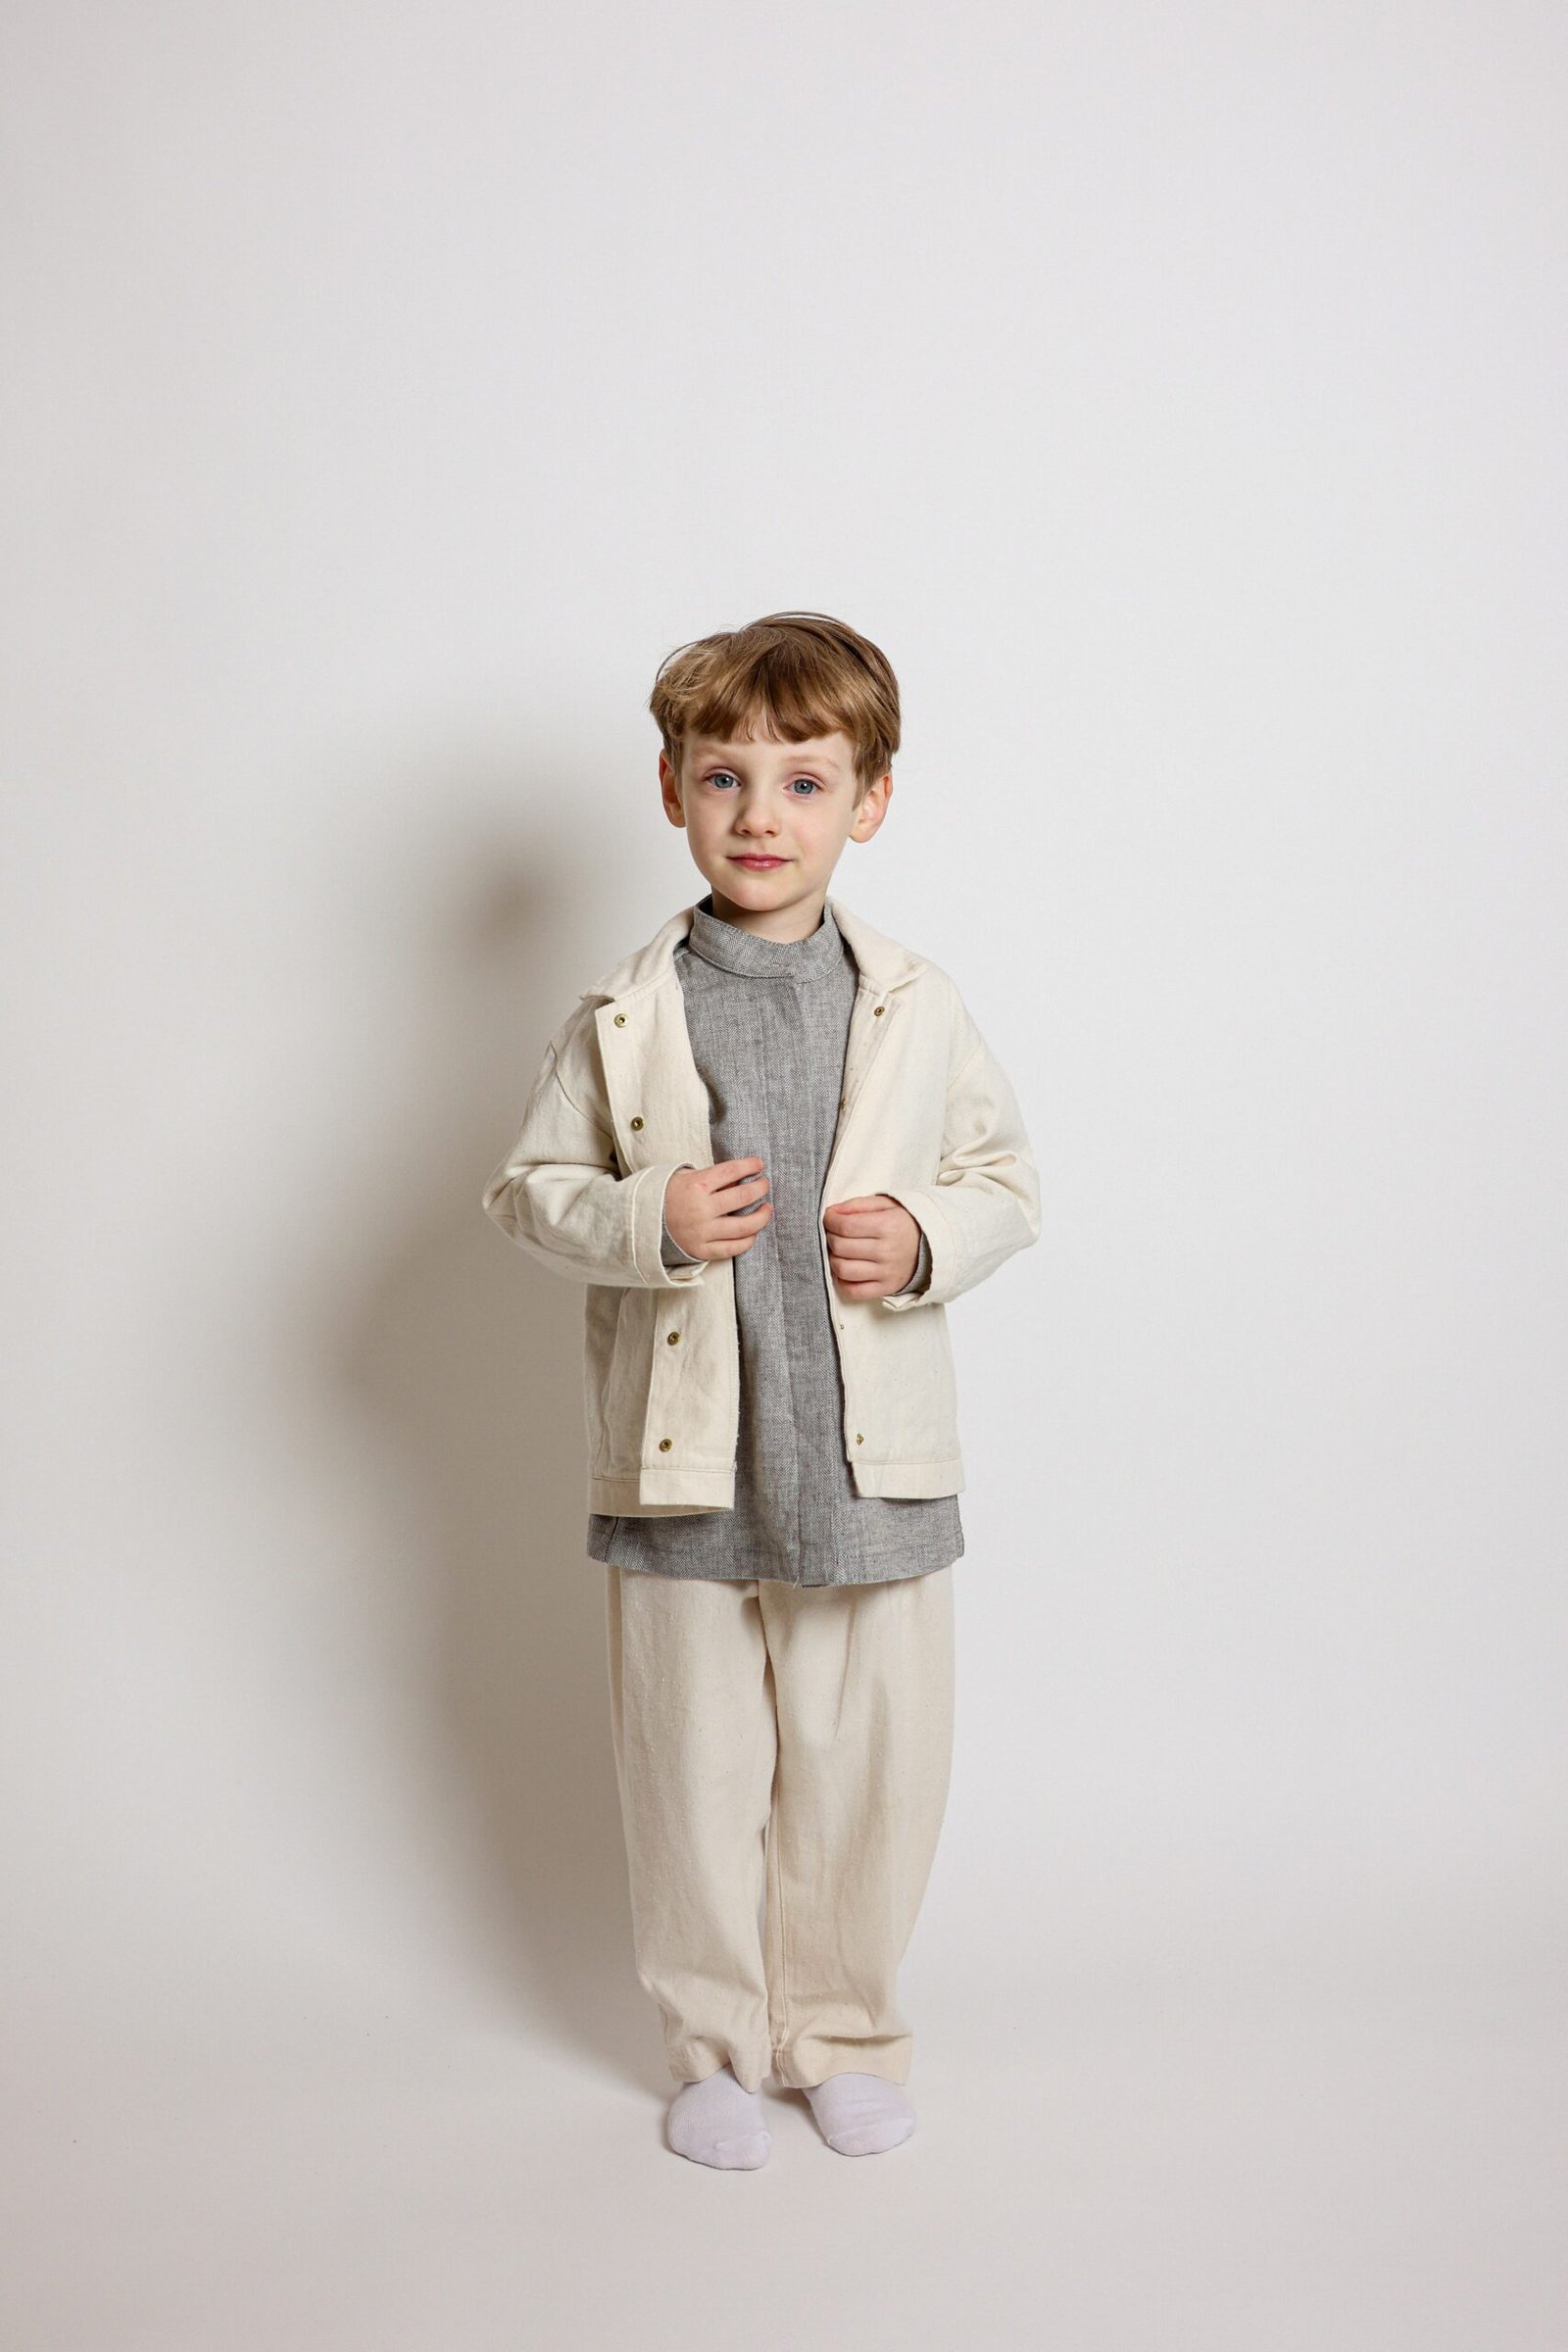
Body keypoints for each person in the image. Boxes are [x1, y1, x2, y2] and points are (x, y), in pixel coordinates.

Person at [481, 611, 1040, 2167]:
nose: (760, 816)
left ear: (871, 799)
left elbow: (1005, 1180)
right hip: (686, 1462)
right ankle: (719, 2053)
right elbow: (527, 1192)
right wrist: (646, 1218)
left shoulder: (917, 1001)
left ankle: (840, 2034)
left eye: (805, 782)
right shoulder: (624, 1010)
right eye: (724, 777)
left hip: (866, 1464)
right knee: (692, 1775)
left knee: (870, 1773)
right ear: (672, 790)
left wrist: (926, 1237)